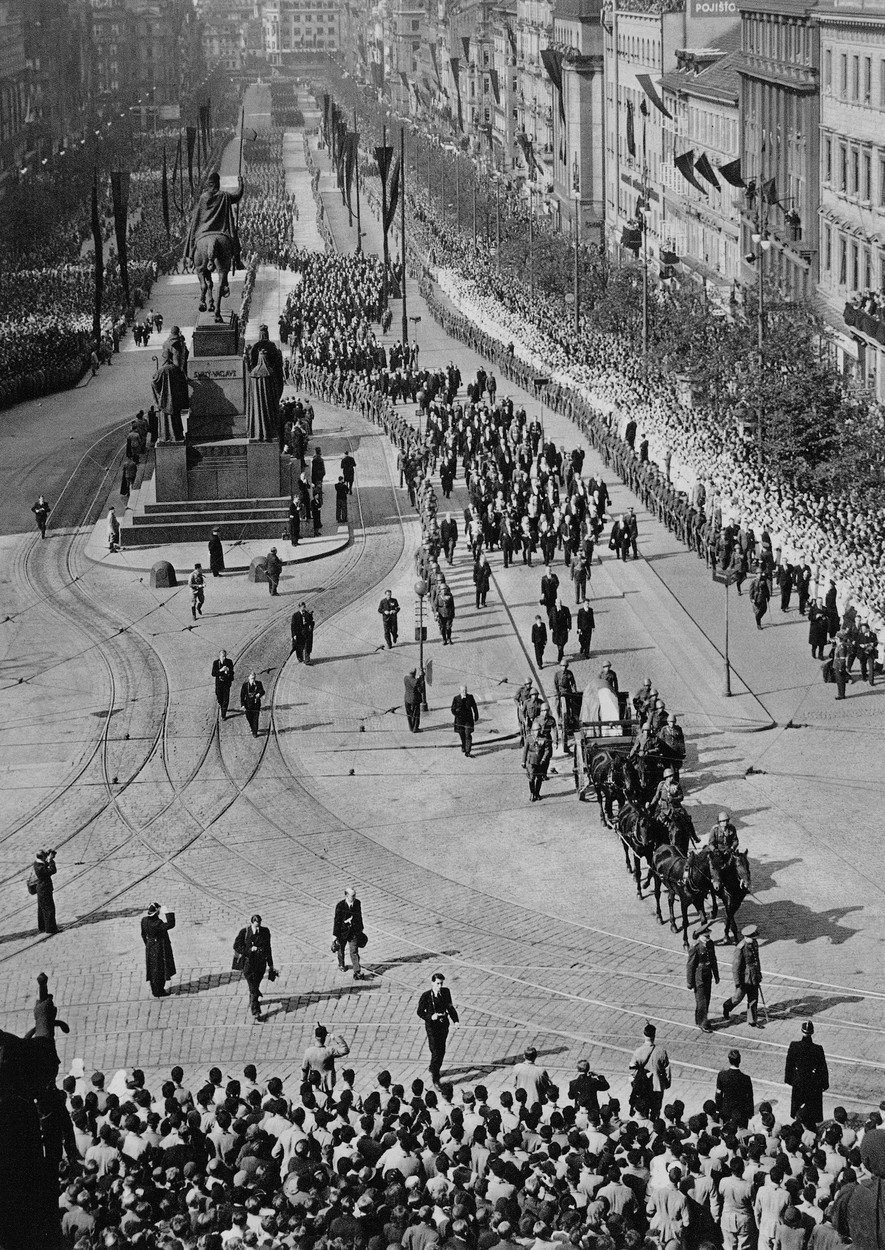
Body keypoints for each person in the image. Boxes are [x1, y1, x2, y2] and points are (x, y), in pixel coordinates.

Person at [416, 972, 459, 1086]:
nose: (440, 986)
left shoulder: (446, 992)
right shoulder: (426, 996)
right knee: (435, 1051)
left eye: (441, 983)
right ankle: (435, 1078)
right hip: (432, 1027)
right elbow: (420, 1012)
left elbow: (450, 1007)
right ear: (432, 983)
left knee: (442, 1050)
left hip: (443, 1025)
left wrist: (455, 1020)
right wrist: (430, 1017)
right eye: (438, 984)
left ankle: (433, 1067)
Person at [784, 1021, 829, 1125]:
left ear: (802, 1031)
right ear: (812, 1032)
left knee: (798, 1110)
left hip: (798, 1082)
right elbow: (823, 1068)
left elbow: (789, 1065)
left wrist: (791, 1080)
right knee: (812, 1109)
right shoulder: (818, 1049)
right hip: (813, 1083)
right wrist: (824, 1084)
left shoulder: (794, 1046)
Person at [233, 914, 276, 1022]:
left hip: (260, 965)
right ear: (252, 923)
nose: (257, 928)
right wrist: (249, 950)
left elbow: (268, 949)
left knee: (255, 985)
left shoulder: (265, 932)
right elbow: (236, 946)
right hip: (248, 965)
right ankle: (256, 1011)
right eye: (256, 925)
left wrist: (271, 965)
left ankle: (254, 996)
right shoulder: (245, 932)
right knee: (253, 988)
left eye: (259, 925)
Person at [723, 924, 763, 1027]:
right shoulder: (740, 948)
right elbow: (735, 968)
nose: (754, 939)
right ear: (746, 937)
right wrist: (737, 983)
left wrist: (758, 974)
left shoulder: (754, 944)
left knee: (753, 999)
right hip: (743, 979)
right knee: (737, 998)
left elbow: (756, 960)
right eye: (752, 938)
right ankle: (727, 1007)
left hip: (753, 977)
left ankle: (752, 1021)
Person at [629, 1022, 670, 1119]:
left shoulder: (638, 1051)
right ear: (654, 1035)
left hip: (644, 1087)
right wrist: (666, 1084)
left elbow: (632, 1070)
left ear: (644, 1035)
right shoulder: (661, 1051)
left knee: (643, 1110)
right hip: (657, 1087)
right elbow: (667, 1070)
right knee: (655, 1112)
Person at [686, 925, 719, 1032]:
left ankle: (699, 1019)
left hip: (708, 974)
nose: (708, 937)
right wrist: (690, 982)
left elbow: (713, 960)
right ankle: (703, 1023)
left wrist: (716, 975)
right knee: (702, 1000)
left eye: (708, 935)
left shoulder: (710, 943)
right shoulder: (695, 947)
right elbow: (690, 965)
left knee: (707, 998)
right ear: (700, 936)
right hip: (699, 976)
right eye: (706, 936)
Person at [719, 1156, 756, 1250]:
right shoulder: (748, 1185)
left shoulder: (723, 1182)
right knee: (744, 1246)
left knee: (728, 1246)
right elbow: (753, 1203)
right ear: (743, 1169)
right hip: (744, 1219)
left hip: (727, 1217)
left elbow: (721, 1194)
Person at [302, 1023, 350, 1093]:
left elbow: (304, 1069)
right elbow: (345, 1050)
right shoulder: (329, 1051)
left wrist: (304, 1082)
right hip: (327, 1085)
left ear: (315, 1037)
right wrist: (335, 1037)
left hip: (313, 1085)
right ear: (324, 1037)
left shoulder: (308, 1051)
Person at [141, 902, 176, 998]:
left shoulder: (144, 920)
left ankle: (155, 990)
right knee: (160, 969)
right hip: (159, 948)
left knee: (152, 969)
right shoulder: (158, 923)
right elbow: (171, 924)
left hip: (150, 947)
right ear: (157, 912)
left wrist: (148, 945)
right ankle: (159, 991)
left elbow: (143, 935)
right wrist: (167, 913)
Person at [333, 886, 366, 979]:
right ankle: (341, 964)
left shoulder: (357, 903)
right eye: (352, 896)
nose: (354, 897)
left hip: (353, 932)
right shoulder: (340, 905)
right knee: (341, 950)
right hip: (342, 932)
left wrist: (360, 929)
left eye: (355, 895)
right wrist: (335, 935)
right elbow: (337, 921)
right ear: (346, 895)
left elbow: (359, 917)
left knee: (354, 951)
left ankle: (357, 971)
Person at [716, 1049, 754, 1128]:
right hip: (741, 1113)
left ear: (729, 1060)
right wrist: (750, 1113)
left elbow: (718, 1094)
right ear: (739, 1060)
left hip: (726, 1111)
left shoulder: (722, 1075)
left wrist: (719, 1109)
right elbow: (750, 1097)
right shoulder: (746, 1078)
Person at [525, 716, 553, 802]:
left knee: (539, 778)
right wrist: (523, 761)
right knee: (532, 778)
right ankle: (532, 793)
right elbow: (525, 751)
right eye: (535, 730)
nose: (536, 732)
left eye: (538, 730)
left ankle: (537, 793)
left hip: (540, 762)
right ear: (532, 731)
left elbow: (547, 750)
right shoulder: (529, 738)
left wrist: (544, 759)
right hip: (531, 761)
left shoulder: (544, 739)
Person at [32, 848, 58, 934]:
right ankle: (51, 929)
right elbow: (52, 870)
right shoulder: (40, 868)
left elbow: (44, 863)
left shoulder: (37, 863)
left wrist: (49, 857)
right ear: (42, 857)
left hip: (41, 889)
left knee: (42, 908)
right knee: (49, 908)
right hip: (44, 889)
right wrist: (51, 861)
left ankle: (43, 927)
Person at [553, 660, 577, 748]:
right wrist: (557, 692)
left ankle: (571, 719)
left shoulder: (569, 673)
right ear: (560, 666)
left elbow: (573, 682)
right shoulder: (557, 674)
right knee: (557, 705)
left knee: (572, 705)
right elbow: (555, 684)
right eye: (562, 666)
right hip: (560, 691)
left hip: (568, 691)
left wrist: (574, 690)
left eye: (565, 666)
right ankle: (559, 719)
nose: (564, 668)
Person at [451, 685, 480, 756]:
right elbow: (452, 709)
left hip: (468, 720)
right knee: (462, 735)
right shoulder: (456, 698)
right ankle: (463, 745)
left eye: (466, 690)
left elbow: (474, 707)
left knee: (468, 734)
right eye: (463, 690)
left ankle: (468, 751)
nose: (465, 692)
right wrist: (457, 713)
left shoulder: (470, 697)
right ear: (460, 691)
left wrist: (476, 715)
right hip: (459, 721)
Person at [211, 650, 235, 720]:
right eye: (222, 656)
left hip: (226, 684)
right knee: (219, 698)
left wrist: (228, 670)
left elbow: (232, 672)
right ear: (219, 656)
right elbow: (213, 673)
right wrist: (220, 670)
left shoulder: (229, 662)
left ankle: (223, 714)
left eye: (225, 656)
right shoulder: (215, 663)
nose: (224, 658)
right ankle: (222, 707)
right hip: (219, 684)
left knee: (225, 699)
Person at [240, 671, 265, 737]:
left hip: (256, 704)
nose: (253, 680)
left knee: (255, 718)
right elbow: (242, 695)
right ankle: (252, 728)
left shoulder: (258, 683)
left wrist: (259, 693)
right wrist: (242, 704)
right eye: (251, 678)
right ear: (248, 678)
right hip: (247, 705)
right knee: (249, 718)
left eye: (254, 678)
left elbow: (262, 691)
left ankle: (255, 732)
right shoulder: (245, 685)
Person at [404, 667, 426, 732]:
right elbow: (421, 690)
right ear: (415, 673)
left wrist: (419, 678)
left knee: (409, 714)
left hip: (407, 698)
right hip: (414, 700)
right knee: (416, 714)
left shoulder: (405, 678)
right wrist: (421, 679)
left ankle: (411, 728)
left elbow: (413, 681)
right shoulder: (416, 682)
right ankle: (415, 728)